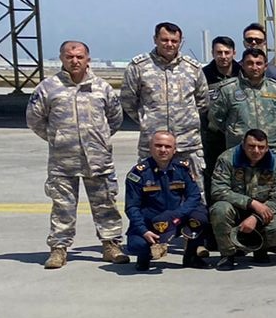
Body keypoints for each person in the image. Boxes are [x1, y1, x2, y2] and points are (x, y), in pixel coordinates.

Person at [27, 39, 128, 267]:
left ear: (87, 59)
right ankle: (59, 249)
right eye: (69, 57)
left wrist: (98, 139)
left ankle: (111, 245)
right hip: (63, 160)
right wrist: (58, 138)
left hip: (98, 159)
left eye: (79, 57)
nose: (75, 61)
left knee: (105, 203)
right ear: (61, 58)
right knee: (62, 206)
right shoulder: (48, 88)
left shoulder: (102, 88)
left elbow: (115, 118)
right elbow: (35, 119)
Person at [121, 21, 209, 190]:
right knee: (151, 194)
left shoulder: (193, 68)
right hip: (153, 145)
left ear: (180, 42)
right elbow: (128, 101)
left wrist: (186, 120)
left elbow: (202, 102)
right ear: (155, 39)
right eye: (165, 40)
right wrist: (147, 119)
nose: (169, 44)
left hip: (187, 145)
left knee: (194, 194)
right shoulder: (139, 67)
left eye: (174, 41)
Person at [123, 129, 206, 271]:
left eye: (168, 146)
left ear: (174, 150)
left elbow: (194, 196)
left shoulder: (182, 169)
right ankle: (145, 256)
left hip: (175, 219)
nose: (163, 150)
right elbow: (132, 207)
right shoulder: (138, 173)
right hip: (150, 222)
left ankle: (191, 257)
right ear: (150, 148)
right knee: (137, 245)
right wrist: (143, 231)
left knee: (200, 216)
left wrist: (177, 215)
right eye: (158, 145)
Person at [209, 128, 276, 267]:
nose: (256, 151)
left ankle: (260, 249)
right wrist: (251, 203)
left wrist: (256, 217)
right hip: (235, 210)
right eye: (251, 146)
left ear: (266, 148)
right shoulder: (227, 159)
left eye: (261, 147)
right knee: (219, 209)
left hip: (261, 213)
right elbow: (218, 191)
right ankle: (228, 254)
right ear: (243, 145)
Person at [210, 47, 276, 157]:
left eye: (259, 63)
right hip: (239, 149)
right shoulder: (228, 89)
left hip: (271, 149)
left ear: (265, 66)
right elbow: (216, 119)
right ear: (242, 65)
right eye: (250, 63)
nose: (254, 67)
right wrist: (235, 131)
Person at [202, 36, 239, 185]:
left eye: (226, 52)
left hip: (237, 134)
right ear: (213, 53)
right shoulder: (203, 75)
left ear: (233, 53)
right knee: (212, 173)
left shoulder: (243, 73)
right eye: (219, 52)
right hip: (212, 136)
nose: (223, 56)